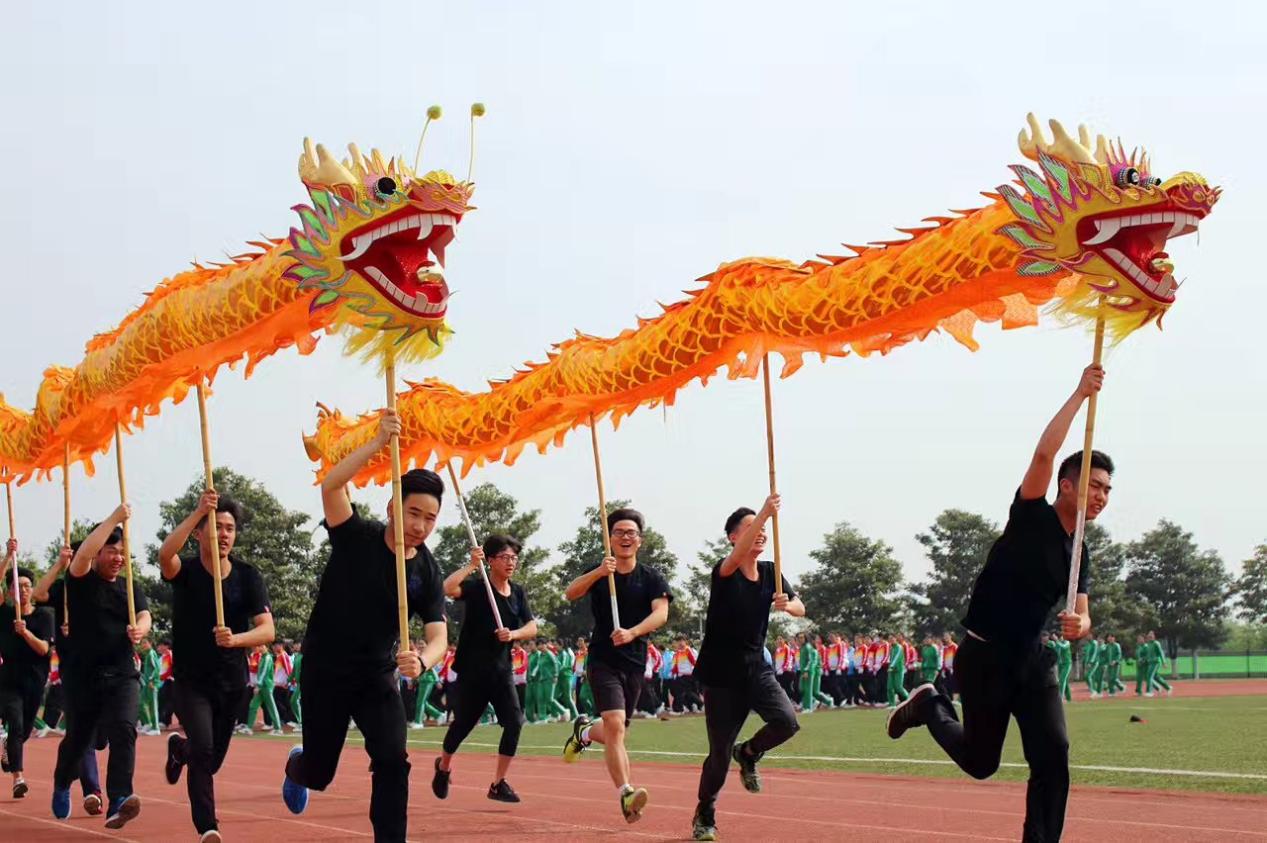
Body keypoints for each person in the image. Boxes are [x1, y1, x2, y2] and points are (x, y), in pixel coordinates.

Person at [886, 363, 1106, 842]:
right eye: (1094, 484)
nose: (1102, 496)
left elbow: (1084, 611)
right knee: (981, 762)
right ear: (1067, 485)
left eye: (1107, 489)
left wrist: (1081, 625)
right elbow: (1045, 453)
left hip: (1033, 660)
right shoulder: (1031, 514)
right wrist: (1079, 394)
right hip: (985, 657)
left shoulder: (1080, 551)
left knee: (1053, 755)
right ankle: (930, 705)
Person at [280, 410, 448, 843]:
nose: (420, 526)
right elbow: (332, 486)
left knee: (393, 759)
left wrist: (422, 662)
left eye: (430, 518)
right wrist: (376, 444)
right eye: (413, 513)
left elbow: (438, 636)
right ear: (393, 507)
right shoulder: (355, 535)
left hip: (376, 676)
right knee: (319, 772)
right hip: (325, 670)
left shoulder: (427, 571)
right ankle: (297, 766)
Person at [158, 491, 274, 843]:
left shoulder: (248, 577)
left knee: (209, 759)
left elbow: (267, 630)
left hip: (231, 682)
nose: (223, 534)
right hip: (191, 681)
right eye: (216, 527)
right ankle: (208, 826)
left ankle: (180, 750)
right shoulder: (186, 572)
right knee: (205, 749)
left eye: (229, 528)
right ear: (199, 533)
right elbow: (165, 555)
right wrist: (198, 511)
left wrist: (235, 639)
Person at [690, 497, 803, 841]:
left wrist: (787, 605)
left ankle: (749, 752)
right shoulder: (724, 571)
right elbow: (734, 559)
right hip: (721, 676)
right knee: (719, 755)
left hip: (757, 669)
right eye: (752, 528)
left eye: (764, 529)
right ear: (733, 538)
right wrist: (765, 512)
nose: (761, 533)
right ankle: (705, 813)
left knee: (787, 722)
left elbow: (800, 606)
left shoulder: (770, 571)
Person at [561, 507, 670, 824]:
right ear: (609, 539)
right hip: (603, 659)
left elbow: (661, 614)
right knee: (615, 723)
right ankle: (626, 793)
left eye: (631, 533)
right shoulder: (600, 573)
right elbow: (570, 593)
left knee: (617, 732)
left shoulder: (651, 578)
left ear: (640, 540)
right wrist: (598, 571)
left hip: (634, 661)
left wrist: (633, 632)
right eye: (619, 532)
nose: (625, 537)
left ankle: (584, 732)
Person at [52, 506, 151, 829]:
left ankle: (119, 799)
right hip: (83, 677)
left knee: (124, 729)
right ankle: (62, 781)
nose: (118, 558)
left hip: (122, 673)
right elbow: (82, 555)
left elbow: (145, 614)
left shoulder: (129, 588)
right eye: (111, 551)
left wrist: (140, 628)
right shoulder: (81, 580)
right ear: (98, 552)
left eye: (122, 552)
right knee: (78, 741)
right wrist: (114, 518)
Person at [431, 534, 536, 804]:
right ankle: (443, 767)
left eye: (514, 557)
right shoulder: (479, 589)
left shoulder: (518, 593)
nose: (511, 562)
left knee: (514, 723)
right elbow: (447, 588)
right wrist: (471, 565)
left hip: (501, 671)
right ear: (490, 561)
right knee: (463, 725)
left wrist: (513, 634)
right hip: (472, 671)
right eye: (504, 557)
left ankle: (498, 783)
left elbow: (532, 626)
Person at [31, 544, 104, 816]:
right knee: (83, 733)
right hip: (74, 670)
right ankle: (92, 791)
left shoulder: (104, 587)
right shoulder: (63, 588)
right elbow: (38, 594)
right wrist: (59, 566)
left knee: (101, 736)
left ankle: (68, 767)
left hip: (107, 669)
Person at [0, 550, 54, 800]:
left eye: (26, 586)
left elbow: (44, 649)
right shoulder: (4, 614)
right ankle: (18, 778)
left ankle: (8, 749)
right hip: (8, 681)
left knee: (23, 730)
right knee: (16, 723)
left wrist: (25, 633)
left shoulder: (44, 616)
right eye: (17, 586)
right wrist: (8, 557)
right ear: (10, 591)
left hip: (35, 682)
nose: (22, 590)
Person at [137, 639, 162, 737]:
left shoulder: (152, 653)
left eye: (145, 643)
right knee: (142, 702)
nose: (143, 645)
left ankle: (156, 728)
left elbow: (157, 668)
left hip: (152, 684)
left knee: (153, 706)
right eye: (142, 643)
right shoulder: (148, 655)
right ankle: (148, 723)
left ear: (150, 643)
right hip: (146, 684)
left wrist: (152, 680)